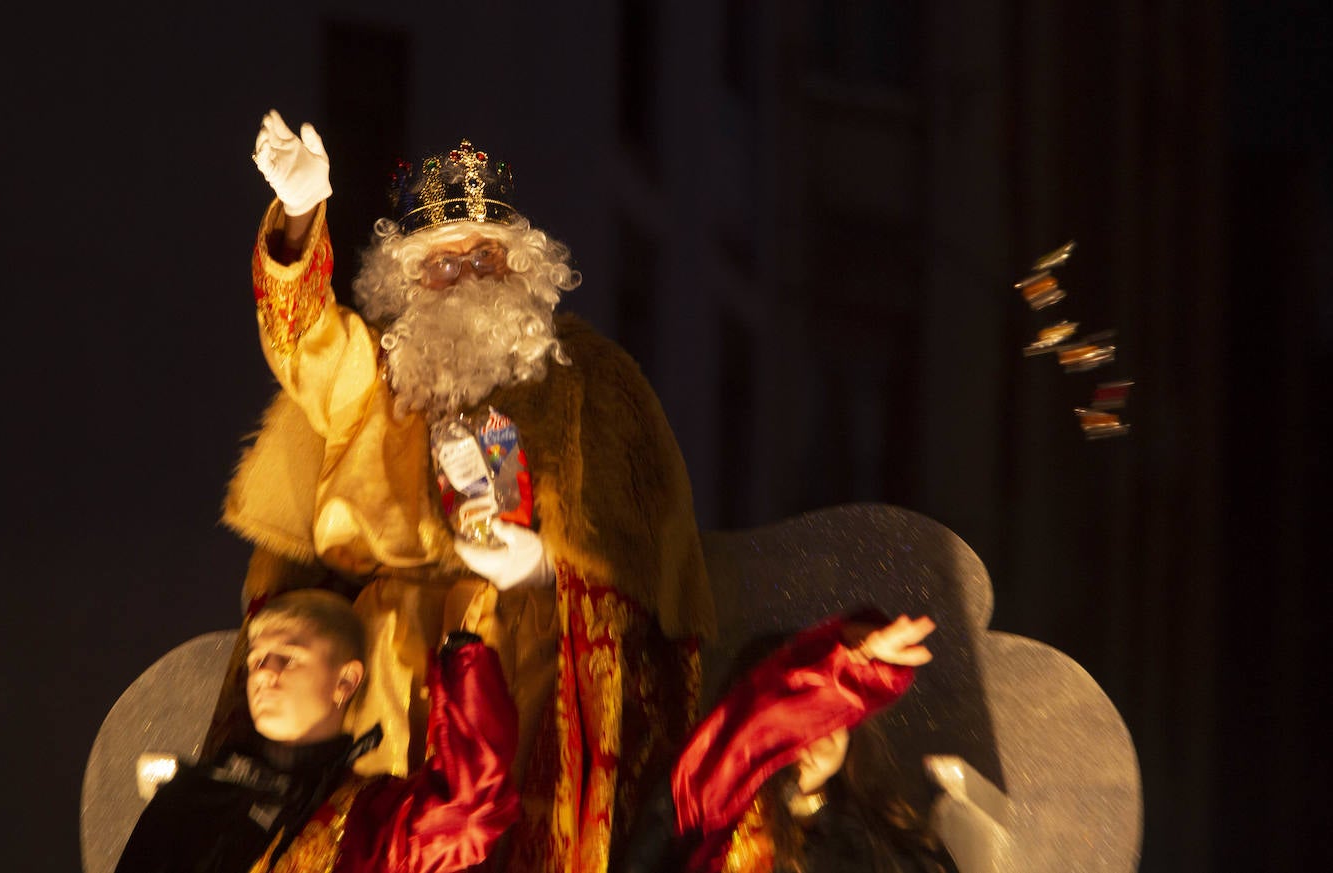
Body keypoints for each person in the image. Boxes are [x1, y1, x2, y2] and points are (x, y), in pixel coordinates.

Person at [209, 110, 716, 873]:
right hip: (387, 650)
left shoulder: (593, 383)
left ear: (524, 270)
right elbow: (304, 343)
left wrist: (547, 568)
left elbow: (649, 558)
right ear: (405, 282)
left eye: (485, 257)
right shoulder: (375, 373)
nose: (464, 277)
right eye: (439, 264)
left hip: (533, 642)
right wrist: (302, 214)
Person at [115, 589, 519, 873]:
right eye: (256, 661)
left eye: (287, 659)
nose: (265, 675)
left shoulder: (368, 819)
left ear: (345, 682)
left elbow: (470, 812)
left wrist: (465, 661)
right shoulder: (190, 798)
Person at [617, 610, 955, 873]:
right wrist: (850, 667)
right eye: (797, 718)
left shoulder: (892, 847)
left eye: (826, 715)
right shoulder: (706, 811)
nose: (809, 735)